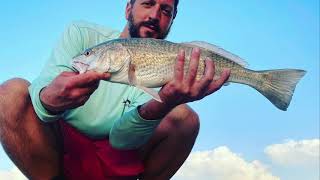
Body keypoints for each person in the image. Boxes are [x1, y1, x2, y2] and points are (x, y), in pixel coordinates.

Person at [0, 0, 230, 179]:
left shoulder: (170, 67)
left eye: (166, 11)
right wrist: (49, 98)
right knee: (10, 92)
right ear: (128, 9)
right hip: (58, 146)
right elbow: (42, 95)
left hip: (117, 156)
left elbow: (123, 140)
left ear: (171, 21)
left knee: (185, 118)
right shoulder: (81, 33)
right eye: (147, 4)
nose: (154, 16)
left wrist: (165, 103)